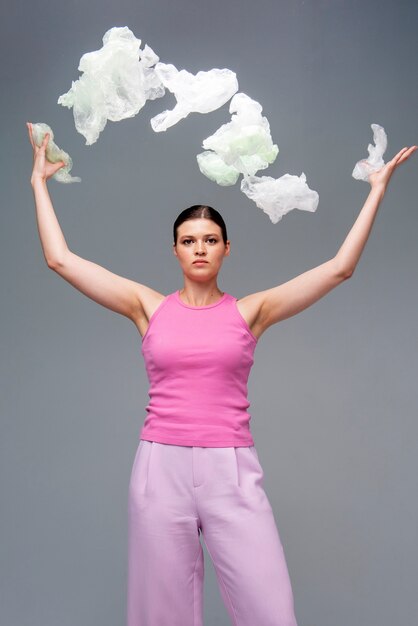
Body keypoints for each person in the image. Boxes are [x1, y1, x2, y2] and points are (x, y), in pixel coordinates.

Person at [27, 122, 416, 626]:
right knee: (159, 617)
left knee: (271, 612)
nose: (200, 248)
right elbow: (60, 259)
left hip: (231, 472)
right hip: (158, 471)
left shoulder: (251, 311)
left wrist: (377, 191)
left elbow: (340, 267)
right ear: (175, 251)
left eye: (211, 239)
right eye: (189, 241)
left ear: (227, 248)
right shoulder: (146, 307)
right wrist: (38, 183)